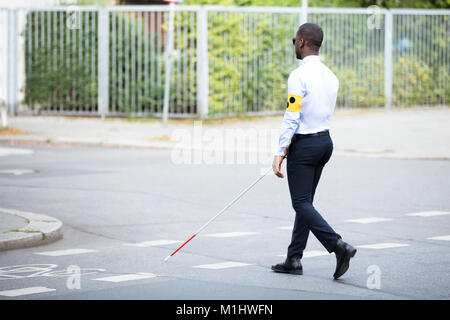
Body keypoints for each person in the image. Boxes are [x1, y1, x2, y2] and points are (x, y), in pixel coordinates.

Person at [271, 23, 356, 280]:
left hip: (305, 146)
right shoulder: (331, 76)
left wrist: (279, 151)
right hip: (324, 143)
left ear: (301, 43)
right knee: (305, 203)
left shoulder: (298, 76)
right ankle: (293, 258)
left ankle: (338, 246)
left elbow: (292, 115)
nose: (294, 43)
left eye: (295, 39)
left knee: (300, 203)